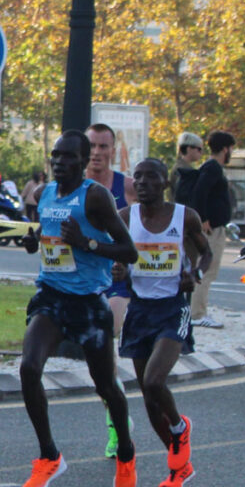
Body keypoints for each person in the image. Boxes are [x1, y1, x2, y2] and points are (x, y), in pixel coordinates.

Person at [18, 130, 138, 487]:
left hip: (88, 304)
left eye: (68, 157)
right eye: (55, 155)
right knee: (27, 368)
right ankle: (49, 456)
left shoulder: (96, 197)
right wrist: (34, 240)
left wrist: (86, 243)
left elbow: (128, 251)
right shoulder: (45, 193)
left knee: (106, 387)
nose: (59, 162)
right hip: (51, 297)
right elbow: (49, 231)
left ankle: (126, 451)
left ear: (84, 162)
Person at [113, 158, 211, 487]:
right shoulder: (126, 218)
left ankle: (180, 429)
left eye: (150, 177)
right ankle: (179, 464)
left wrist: (194, 274)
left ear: (164, 183)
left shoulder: (185, 216)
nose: (141, 183)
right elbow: (118, 258)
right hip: (139, 311)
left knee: (155, 382)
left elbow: (206, 253)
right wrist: (120, 271)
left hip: (172, 308)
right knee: (149, 398)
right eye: (136, 177)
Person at [85, 122, 136, 457]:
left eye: (104, 147)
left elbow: (147, 233)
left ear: (113, 150)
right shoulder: (71, 186)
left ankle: (117, 427)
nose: (98, 153)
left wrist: (128, 265)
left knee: (108, 334)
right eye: (93, 146)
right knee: (99, 366)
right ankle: (118, 414)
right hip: (84, 282)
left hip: (117, 281)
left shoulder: (128, 187)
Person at [188, 130, 236, 329]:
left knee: (208, 270)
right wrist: (204, 218)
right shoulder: (212, 168)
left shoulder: (213, 168)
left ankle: (198, 310)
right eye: (231, 148)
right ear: (224, 148)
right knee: (206, 269)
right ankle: (197, 313)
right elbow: (200, 191)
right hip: (211, 229)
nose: (231, 151)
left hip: (217, 227)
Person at [166, 131, 203, 203]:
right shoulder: (183, 170)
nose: (201, 153)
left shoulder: (180, 166)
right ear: (189, 148)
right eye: (199, 149)